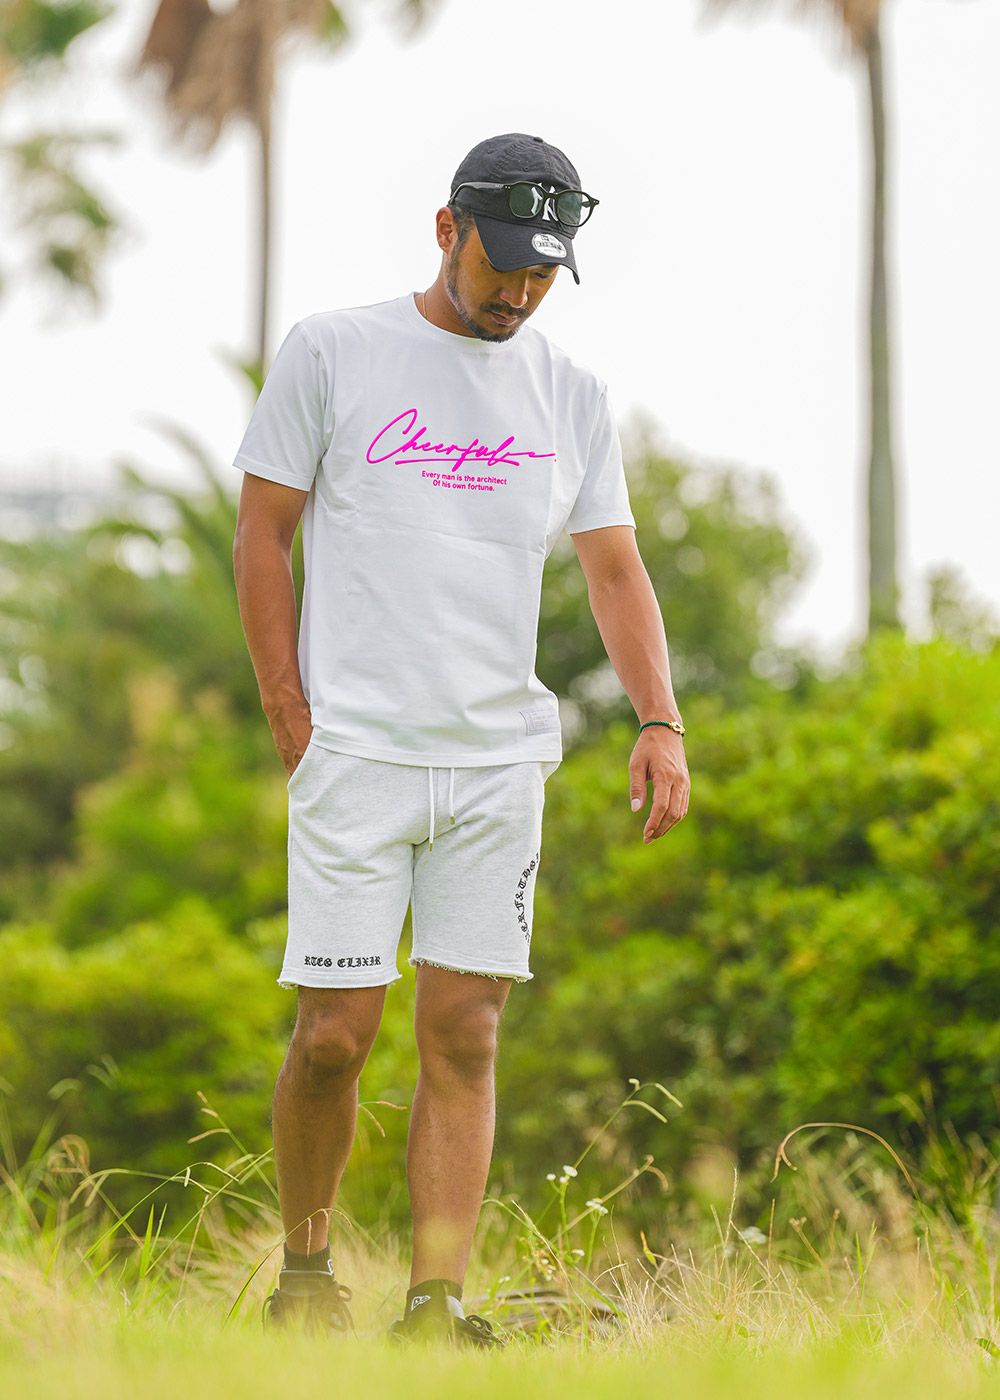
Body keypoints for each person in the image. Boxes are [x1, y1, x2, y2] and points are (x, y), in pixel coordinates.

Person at [231, 132, 690, 1347]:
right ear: (447, 229)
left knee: (467, 1031)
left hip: (497, 765)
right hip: (355, 753)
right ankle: (306, 1277)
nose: (520, 291)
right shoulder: (335, 349)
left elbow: (614, 567)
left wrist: (658, 718)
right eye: (503, 264)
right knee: (334, 1037)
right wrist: (290, 714)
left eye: (544, 273)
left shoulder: (570, 393)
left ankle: (435, 1304)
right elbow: (262, 534)